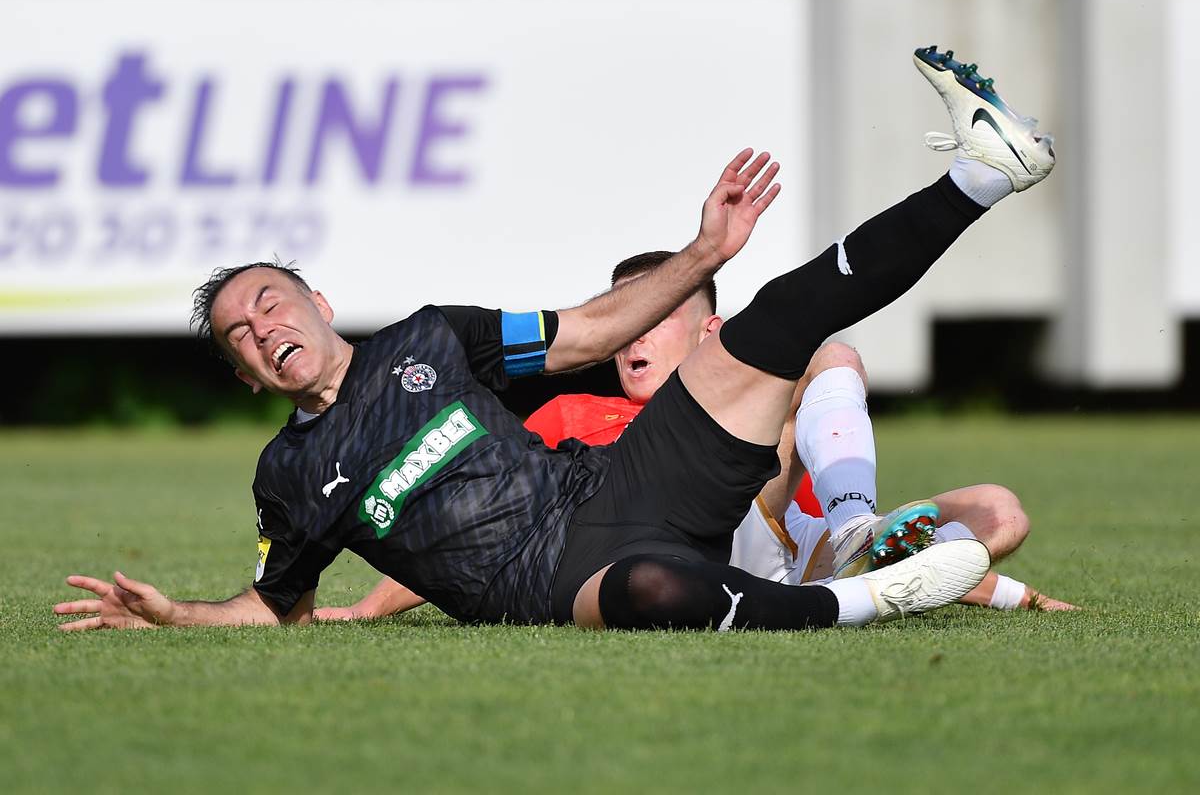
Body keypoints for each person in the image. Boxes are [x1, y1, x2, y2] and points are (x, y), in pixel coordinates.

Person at [55, 46, 1050, 633]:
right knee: (662, 592)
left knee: (783, 324)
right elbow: (279, 607)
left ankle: (983, 172)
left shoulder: (434, 336)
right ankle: (868, 603)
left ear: (316, 296)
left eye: (270, 301)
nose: (264, 327)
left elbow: (587, 331)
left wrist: (704, 247)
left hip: (616, 487)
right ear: (242, 372)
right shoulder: (293, 472)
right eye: (240, 333)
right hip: (548, 582)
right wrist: (177, 614)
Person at [315, 252, 1075, 621]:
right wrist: (367, 610)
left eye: (652, 321)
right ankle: (865, 559)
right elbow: (492, 537)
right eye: (621, 325)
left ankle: (855, 529)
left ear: (710, 334)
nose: (628, 341)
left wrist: (1014, 591)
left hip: (795, 549)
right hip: (674, 553)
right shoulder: (571, 418)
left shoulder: (760, 407)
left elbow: (783, 507)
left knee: (998, 509)